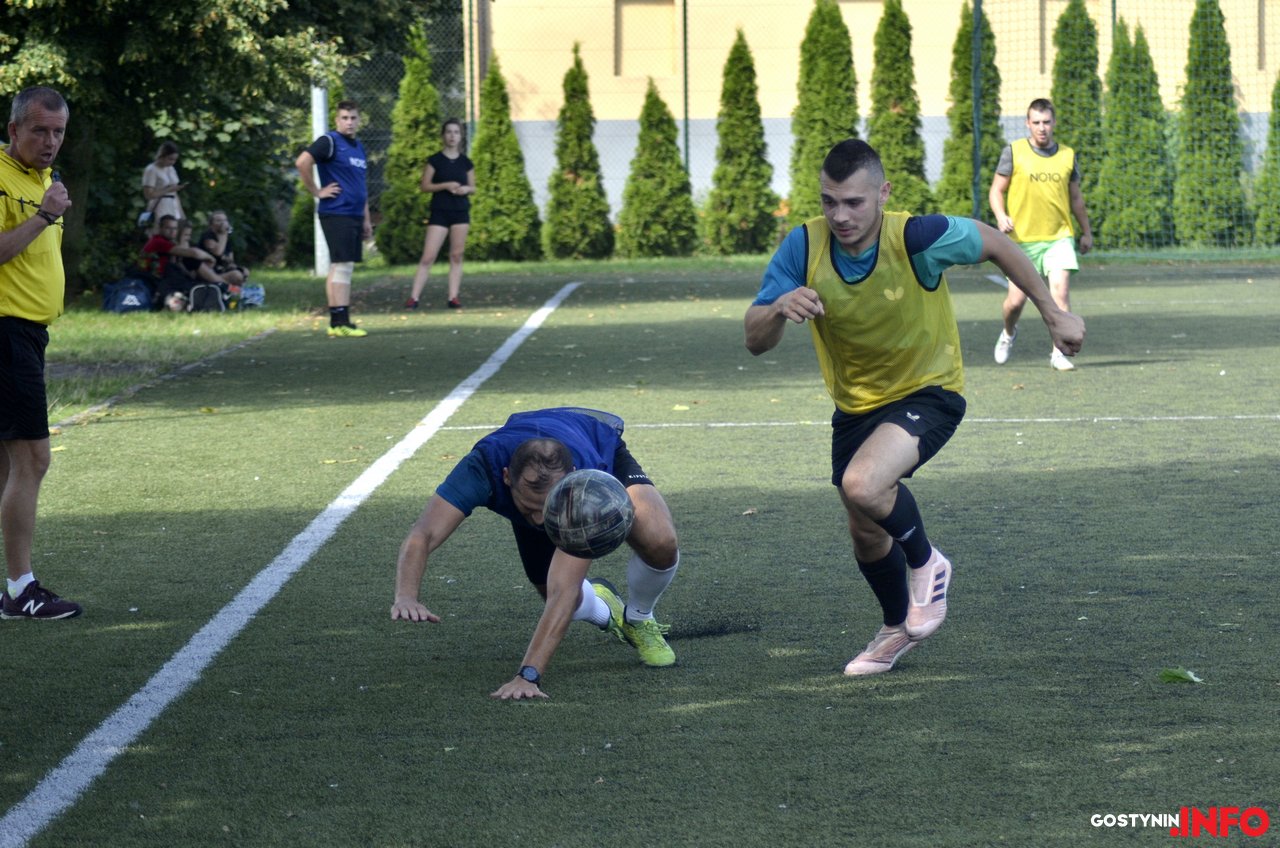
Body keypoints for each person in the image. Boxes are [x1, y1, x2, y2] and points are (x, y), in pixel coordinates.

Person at [743, 139, 1084, 676]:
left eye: (854, 202)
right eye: (829, 201)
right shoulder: (804, 246)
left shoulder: (917, 237)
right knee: (864, 529)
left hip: (929, 390)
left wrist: (1053, 314)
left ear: (883, 194)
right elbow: (754, 340)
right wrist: (778, 307)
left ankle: (928, 562)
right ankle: (895, 629)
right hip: (856, 407)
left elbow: (996, 242)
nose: (840, 215)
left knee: (863, 484)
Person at [391, 407, 681, 700]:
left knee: (661, 541)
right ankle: (605, 608)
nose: (542, 521)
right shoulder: (481, 468)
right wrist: (406, 596)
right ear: (506, 477)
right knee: (569, 603)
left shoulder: (582, 479)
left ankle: (639, 617)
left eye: (547, 508)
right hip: (539, 483)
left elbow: (564, 588)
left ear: (571, 477)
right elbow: (423, 534)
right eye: (530, 507)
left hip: (596, 449)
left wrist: (528, 676)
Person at [0, 86, 82, 620]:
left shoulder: (44, 179)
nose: (50, 141)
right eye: (39, 131)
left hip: (27, 334)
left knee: (7, 465)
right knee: (33, 458)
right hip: (5, 331)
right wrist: (45, 217)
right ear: (13, 130)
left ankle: (12, 587)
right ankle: (20, 589)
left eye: (58, 132)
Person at [988, 98, 1094, 371]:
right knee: (1015, 303)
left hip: (1059, 237)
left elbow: (1076, 198)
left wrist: (1086, 232)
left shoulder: (1067, 155)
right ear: (1027, 123)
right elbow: (996, 190)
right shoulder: (1014, 152)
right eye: (1036, 122)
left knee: (1060, 292)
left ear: (1054, 123)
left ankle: (1059, 352)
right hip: (1022, 241)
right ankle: (1008, 333)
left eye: (1046, 122)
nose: (1042, 127)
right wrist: (1001, 215)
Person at [295, 100, 372, 338]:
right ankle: (341, 322)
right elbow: (302, 162)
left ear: (359, 120)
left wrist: (366, 219)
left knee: (340, 265)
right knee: (343, 265)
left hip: (354, 214)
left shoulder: (358, 147)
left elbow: (360, 185)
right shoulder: (329, 141)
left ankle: (337, 321)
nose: (349, 122)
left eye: (353, 118)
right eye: (345, 118)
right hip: (337, 212)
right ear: (337, 120)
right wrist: (317, 191)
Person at [404, 119, 475, 311]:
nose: (452, 136)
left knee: (456, 255)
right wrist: (445, 186)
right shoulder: (435, 160)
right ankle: (414, 297)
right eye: (449, 132)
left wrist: (466, 189)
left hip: (460, 212)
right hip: (440, 213)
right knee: (428, 256)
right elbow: (425, 186)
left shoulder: (466, 162)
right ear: (443, 135)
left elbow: (473, 187)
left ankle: (453, 297)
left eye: (456, 132)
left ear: (461, 136)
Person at [141, 141, 186, 231]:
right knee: (162, 231)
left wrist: (181, 212)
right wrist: (168, 190)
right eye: (170, 159)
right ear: (162, 156)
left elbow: (174, 193)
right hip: (159, 205)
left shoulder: (171, 169)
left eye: (174, 160)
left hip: (173, 204)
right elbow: (148, 194)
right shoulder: (151, 169)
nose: (172, 162)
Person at [199, 209, 249, 286]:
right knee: (236, 275)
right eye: (219, 220)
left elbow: (230, 259)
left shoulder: (226, 239)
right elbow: (218, 252)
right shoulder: (208, 236)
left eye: (225, 220)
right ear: (211, 224)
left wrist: (232, 265)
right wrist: (223, 234)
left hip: (222, 268)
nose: (223, 223)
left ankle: (234, 289)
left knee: (244, 271)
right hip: (209, 271)